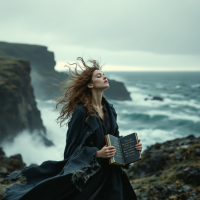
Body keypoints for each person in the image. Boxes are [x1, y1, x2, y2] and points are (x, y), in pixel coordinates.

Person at [2, 57, 142, 200]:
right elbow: (70, 151)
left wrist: (131, 149)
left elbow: (115, 141)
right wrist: (97, 153)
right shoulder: (81, 112)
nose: (104, 77)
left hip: (112, 176)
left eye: (103, 74)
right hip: (89, 178)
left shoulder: (110, 109)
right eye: (99, 76)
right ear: (90, 85)